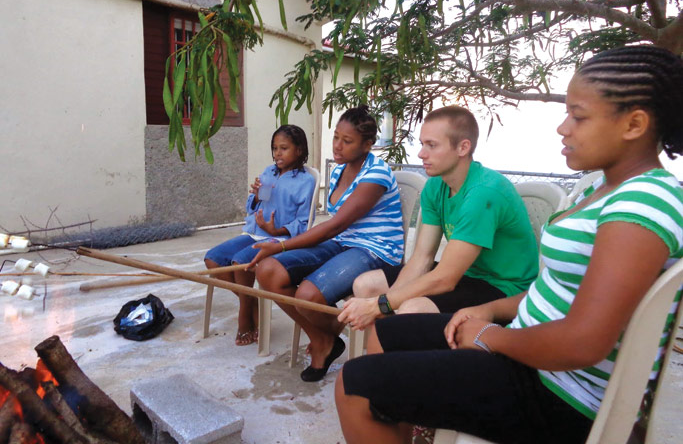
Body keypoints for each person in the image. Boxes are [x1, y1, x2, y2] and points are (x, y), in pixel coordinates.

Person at [335, 45, 683, 444]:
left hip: (561, 393)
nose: (563, 127)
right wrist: (488, 310)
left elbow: (585, 342)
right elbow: (557, 291)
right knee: (388, 334)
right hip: (529, 350)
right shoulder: (608, 191)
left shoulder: (643, 202)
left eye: (579, 116)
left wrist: (488, 336)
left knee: (354, 385)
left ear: (634, 124)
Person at [338, 105, 538, 332]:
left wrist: (382, 305)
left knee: (411, 310)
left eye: (431, 145)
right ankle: (376, 356)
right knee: (366, 285)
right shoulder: (435, 186)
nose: (422, 153)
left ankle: (402, 361)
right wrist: (384, 303)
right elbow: (422, 258)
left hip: (504, 287)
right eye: (422, 144)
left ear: (463, 147)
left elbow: (446, 278)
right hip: (467, 274)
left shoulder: (484, 193)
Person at [248, 106, 404, 381]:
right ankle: (324, 338)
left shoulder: (376, 174)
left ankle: (325, 339)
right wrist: (278, 248)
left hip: (375, 250)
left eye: (347, 141)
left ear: (368, 145)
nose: (338, 146)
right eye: (336, 137)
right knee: (268, 270)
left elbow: (335, 224)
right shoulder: (338, 172)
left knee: (307, 296)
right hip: (343, 242)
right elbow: (335, 230)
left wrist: (283, 245)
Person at [204, 124, 316, 346]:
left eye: (284, 148)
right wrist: (255, 196)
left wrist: (277, 231)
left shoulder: (306, 181)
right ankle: (250, 301)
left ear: (299, 150)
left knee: (240, 262)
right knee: (213, 259)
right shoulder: (269, 172)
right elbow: (255, 207)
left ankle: (245, 315)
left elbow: (303, 223)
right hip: (255, 233)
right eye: (275, 148)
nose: (277, 153)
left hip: (279, 239)